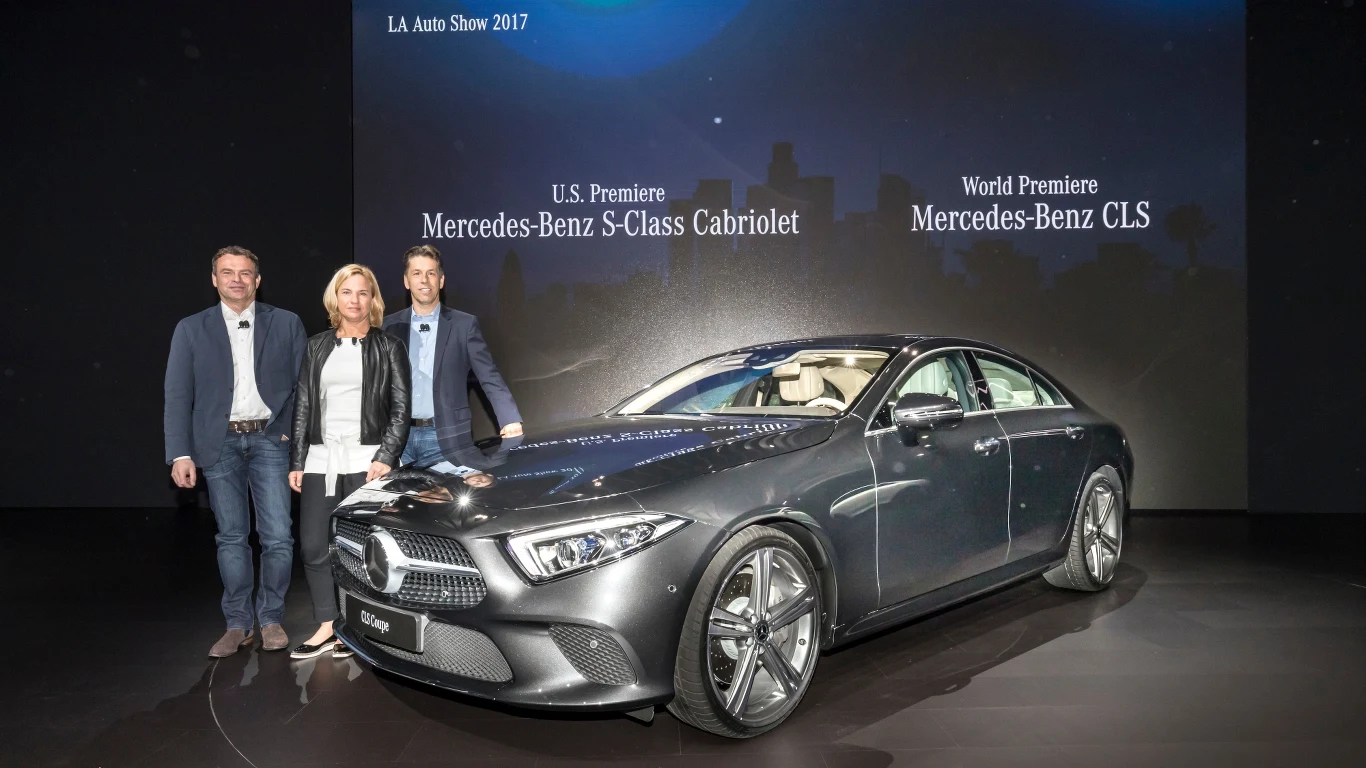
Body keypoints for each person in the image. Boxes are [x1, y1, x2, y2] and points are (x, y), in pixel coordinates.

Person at [164, 246, 307, 658]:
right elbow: (178, 395)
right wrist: (180, 453)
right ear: (214, 280)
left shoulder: (287, 323)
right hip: (218, 443)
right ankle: (237, 623)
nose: (237, 280)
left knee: (278, 536)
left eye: (245, 273)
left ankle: (271, 618)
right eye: (228, 272)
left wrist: (291, 437)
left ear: (257, 280)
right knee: (230, 537)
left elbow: (304, 387)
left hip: (271, 441)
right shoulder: (191, 328)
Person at [288, 264, 411, 659]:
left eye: (362, 292)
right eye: (347, 292)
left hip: (367, 461)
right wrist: (297, 460)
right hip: (321, 460)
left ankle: (356, 627)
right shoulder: (316, 346)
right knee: (313, 546)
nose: (354, 300)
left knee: (361, 550)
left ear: (372, 299)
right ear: (335, 298)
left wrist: (386, 456)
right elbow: (303, 406)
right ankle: (327, 624)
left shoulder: (389, 346)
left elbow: (400, 409)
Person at [382, 245, 523, 472]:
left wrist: (509, 419)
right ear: (406, 281)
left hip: (446, 438)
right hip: (398, 440)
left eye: (431, 273)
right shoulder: (388, 327)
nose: (424, 280)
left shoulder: (464, 325)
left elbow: (489, 376)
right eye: (417, 273)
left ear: (441, 280)